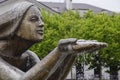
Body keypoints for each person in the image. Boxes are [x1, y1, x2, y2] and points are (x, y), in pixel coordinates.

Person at [0, 0, 107, 80]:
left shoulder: (29, 57)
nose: (42, 24)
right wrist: (58, 52)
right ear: (14, 26)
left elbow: (51, 78)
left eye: (41, 19)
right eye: (34, 19)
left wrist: (70, 54)